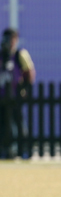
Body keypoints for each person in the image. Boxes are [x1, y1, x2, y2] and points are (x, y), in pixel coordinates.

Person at [0, 28, 35, 159]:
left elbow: (29, 73)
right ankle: (6, 150)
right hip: (2, 98)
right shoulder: (2, 56)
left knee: (19, 123)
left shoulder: (20, 55)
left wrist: (24, 89)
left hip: (15, 97)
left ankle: (23, 150)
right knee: (3, 125)